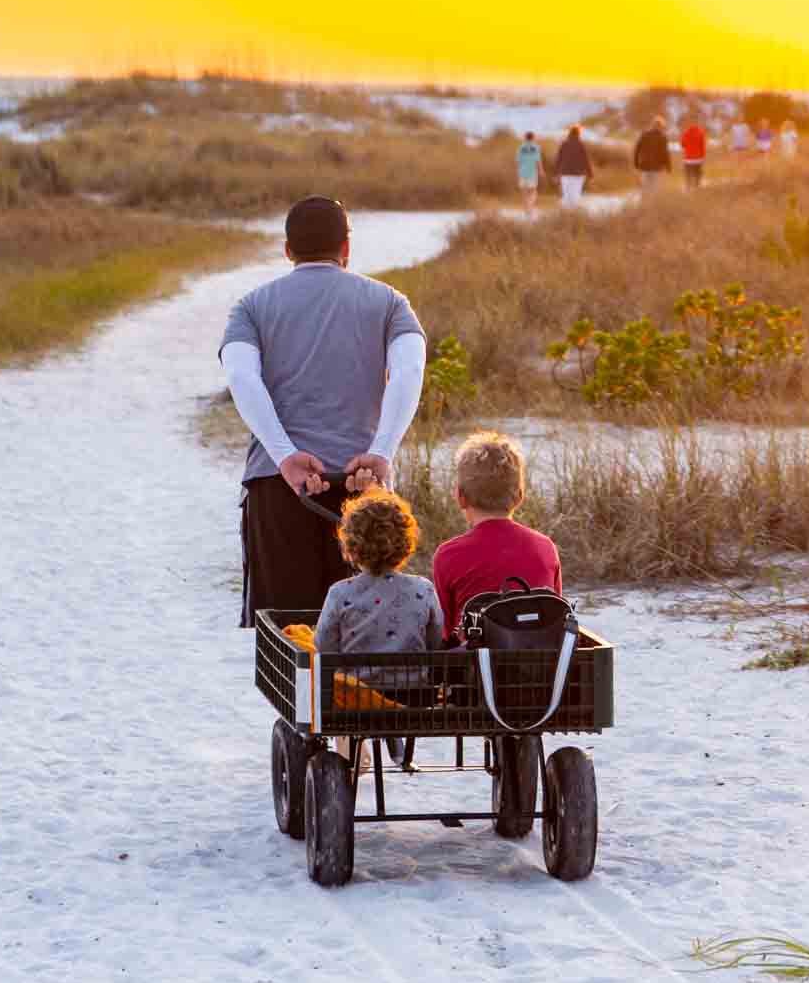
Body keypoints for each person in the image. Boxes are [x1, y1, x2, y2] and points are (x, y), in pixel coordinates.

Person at [220, 194, 427, 626]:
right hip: (362, 488)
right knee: (367, 637)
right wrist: (382, 452)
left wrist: (284, 456)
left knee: (287, 643)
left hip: (279, 488)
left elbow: (241, 378)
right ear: (346, 249)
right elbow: (408, 371)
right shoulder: (390, 303)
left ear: (288, 250)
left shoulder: (251, 307)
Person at [431, 431, 562, 643]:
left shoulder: (448, 555)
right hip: (540, 670)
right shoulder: (545, 548)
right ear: (519, 497)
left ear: (460, 498)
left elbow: (445, 631)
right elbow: (554, 615)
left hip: (474, 672)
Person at [313, 488, 443, 659]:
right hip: (413, 684)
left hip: (353, 684)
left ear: (351, 548)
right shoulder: (424, 589)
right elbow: (435, 640)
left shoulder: (339, 593)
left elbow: (324, 645)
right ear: (406, 544)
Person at [553, 124, 593, 208]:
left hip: (565, 173)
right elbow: (586, 161)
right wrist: (590, 174)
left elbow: (558, 159)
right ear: (578, 134)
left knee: (566, 195)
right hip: (578, 174)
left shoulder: (564, 144)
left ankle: (566, 215)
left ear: (569, 133)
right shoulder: (581, 145)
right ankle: (574, 215)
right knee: (576, 195)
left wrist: (556, 173)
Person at [633, 113, 672, 192]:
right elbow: (665, 154)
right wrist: (668, 167)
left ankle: (644, 203)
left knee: (645, 189)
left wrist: (636, 164)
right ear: (661, 126)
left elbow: (637, 149)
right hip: (656, 168)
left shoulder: (644, 134)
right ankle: (652, 203)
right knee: (654, 190)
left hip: (644, 166)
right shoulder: (663, 137)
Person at [516, 130, 545, 217]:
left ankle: (526, 210)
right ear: (533, 138)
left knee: (524, 193)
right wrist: (541, 170)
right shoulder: (536, 147)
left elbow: (518, 161)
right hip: (532, 173)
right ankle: (530, 208)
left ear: (525, 137)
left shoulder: (521, 147)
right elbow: (538, 161)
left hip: (522, 172)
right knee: (533, 192)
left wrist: (517, 172)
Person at [680, 116, 707, 189]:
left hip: (688, 159)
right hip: (698, 159)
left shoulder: (686, 133)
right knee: (697, 178)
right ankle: (697, 190)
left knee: (688, 178)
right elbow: (703, 146)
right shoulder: (700, 132)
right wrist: (703, 157)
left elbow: (682, 144)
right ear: (697, 123)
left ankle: (688, 190)